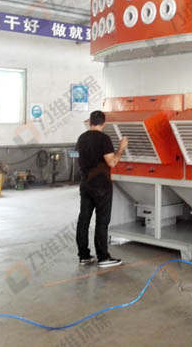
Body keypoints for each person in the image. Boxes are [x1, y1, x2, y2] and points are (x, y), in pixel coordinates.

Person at [75, 110, 128, 267]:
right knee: (102, 221)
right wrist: (121, 148)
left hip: (85, 184)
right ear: (104, 123)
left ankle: (84, 255)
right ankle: (103, 257)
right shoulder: (104, 139)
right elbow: (112, 162)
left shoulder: (81, 138)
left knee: (83, 220)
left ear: (91, 122)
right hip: (101, 186)